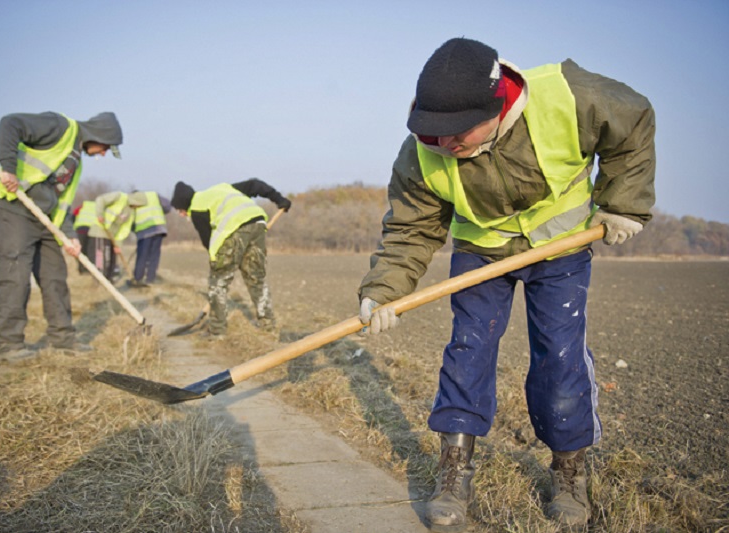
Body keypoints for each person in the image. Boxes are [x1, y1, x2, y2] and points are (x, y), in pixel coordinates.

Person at [357, 38, 655, 531]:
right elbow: (411, 228)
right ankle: (454, 470)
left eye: (457, 132)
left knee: (560, 356)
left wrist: (624, 201)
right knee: (467, 350)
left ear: (496, 106)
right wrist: (384, 289)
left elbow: (634, 118)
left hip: (560, 250)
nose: (444, 143)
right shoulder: (422, 152)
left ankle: (569, 472)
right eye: (433, 132)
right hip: (480, 254)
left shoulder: (567, 96)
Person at [0, 111, 123, 361]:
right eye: (106, 147)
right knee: (15, 277)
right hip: (14, 207)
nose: (104, 153)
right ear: (99, 135)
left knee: (55, 278)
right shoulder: (59, 127)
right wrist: (8, 169)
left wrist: (69, 235)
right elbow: (10, 123)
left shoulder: (76, 162)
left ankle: (63, 338)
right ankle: (9, 344)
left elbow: (63, 203)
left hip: (47, 220)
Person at [170, 178, 292, 338]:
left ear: (184, 204)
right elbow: (255, 184)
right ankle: (268, 325)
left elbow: (210, 243)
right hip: (257, 223)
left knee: (218, 282)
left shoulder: (198, 209)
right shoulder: (223, 188)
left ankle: (217, 331)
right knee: (256, 279)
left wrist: (221, 266)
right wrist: (279, 199)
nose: (180, 214)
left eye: (179, 210)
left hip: (234, 230)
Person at [130, 191, 171, 285]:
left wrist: (134, 230)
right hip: (158, 228)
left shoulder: (131, 201)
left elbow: (130, 219)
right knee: (154, 255)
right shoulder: (153, 195)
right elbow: (167, 206)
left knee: (142, 255)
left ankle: (138, 278)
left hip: (143, 231)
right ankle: (150, 279)